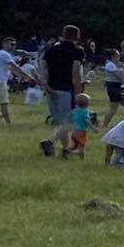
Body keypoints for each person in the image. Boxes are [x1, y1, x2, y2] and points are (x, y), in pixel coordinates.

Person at [41, 24, 86, 159]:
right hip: (66, 89)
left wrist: (46, 86)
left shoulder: (51, 50)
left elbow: (43, 68)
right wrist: (79, 93)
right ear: (77, 36)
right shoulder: (77, 51)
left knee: (61, 122)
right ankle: (50, 142)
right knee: (70, 122)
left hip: (50, 89)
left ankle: (66, 150)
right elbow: (75, 72)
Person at [65, 95, 93, 159]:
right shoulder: (86, 111)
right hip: (81, 133)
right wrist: (93, 128)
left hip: (74, 133)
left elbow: (69, 118)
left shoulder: (75, 110)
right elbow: (86, 120)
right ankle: (71, 154)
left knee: (74, 146)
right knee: (81, 149)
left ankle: (67, 150)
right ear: (87, 103)